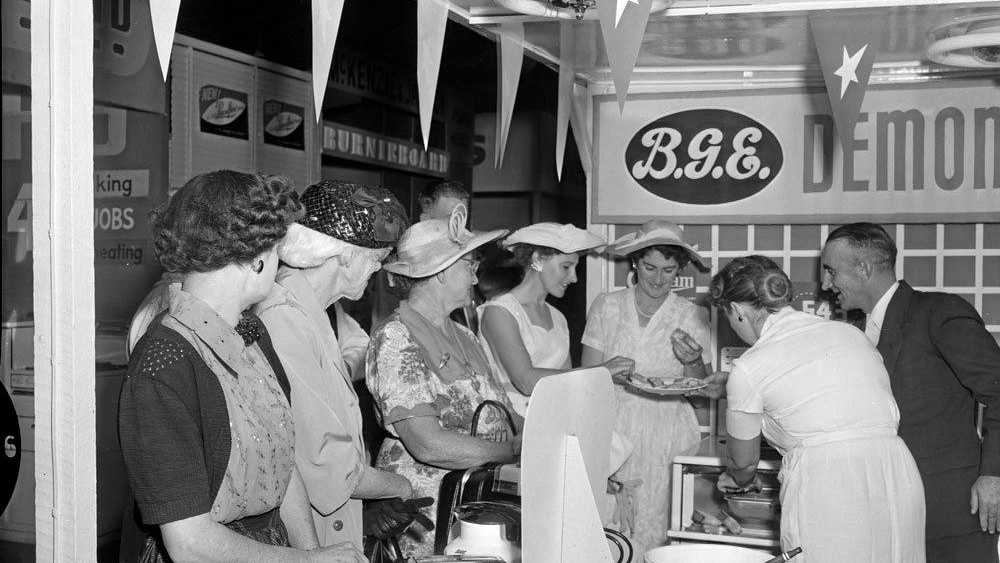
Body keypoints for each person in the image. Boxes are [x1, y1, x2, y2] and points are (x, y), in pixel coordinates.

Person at [119, 170, 364, 562]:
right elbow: (188, 543)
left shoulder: (252, 334)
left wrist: (313, 552)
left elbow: (283, 467)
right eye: (275, 248)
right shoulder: (163, 364)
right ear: (255, 260)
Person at [253, 180, 434, 553]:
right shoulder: (285, 319)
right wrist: (400, 486)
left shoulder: (313, 313)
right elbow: (326, 464)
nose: (379, 271)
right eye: (376, 258)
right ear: (344, 254)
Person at [709, 255, 925, 562]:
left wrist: (738, 478)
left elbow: (743, 464)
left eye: (728, 318)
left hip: (829, 484)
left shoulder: (749, 366)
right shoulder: (851, 334)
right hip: (896, 473)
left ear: (737, 311)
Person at [821, 223, 1000, 562]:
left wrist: (994, 474)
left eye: (831, 271)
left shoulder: (939, 312)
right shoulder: (856, 334)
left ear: (863, 268)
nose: (825, 284)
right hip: (886, 512)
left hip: (948, 513)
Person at [365, 205, 521, 558]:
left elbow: (505, 415)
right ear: (440, 271)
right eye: (470, 266)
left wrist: (541, 432)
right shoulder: (396, 338)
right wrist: (509, 451)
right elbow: (428, 445)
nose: (476, 278)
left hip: (475, 505)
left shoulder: (466, 335)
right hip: (426, 517)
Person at [580, 220, 711, 555]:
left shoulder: (692, 314)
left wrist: (693, 361)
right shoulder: (606, 306)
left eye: (668, 270)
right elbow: (584, 379)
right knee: (607, 534)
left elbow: (701, 393)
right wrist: (606, 372)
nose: (657, 278)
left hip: (666, 435)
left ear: (679, 269)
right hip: (613, 432)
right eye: (650, 267)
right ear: (635, 262)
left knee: (657, 534)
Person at [478, 222, 633, 415]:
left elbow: (566, 382)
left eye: (575, 267)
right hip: (515, 427)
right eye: (566, 267)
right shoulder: (499, 312)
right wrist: (598, 372)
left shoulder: (557, 317)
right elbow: (526, 380)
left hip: (555, 421)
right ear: (538, 260)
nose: (574, 277)